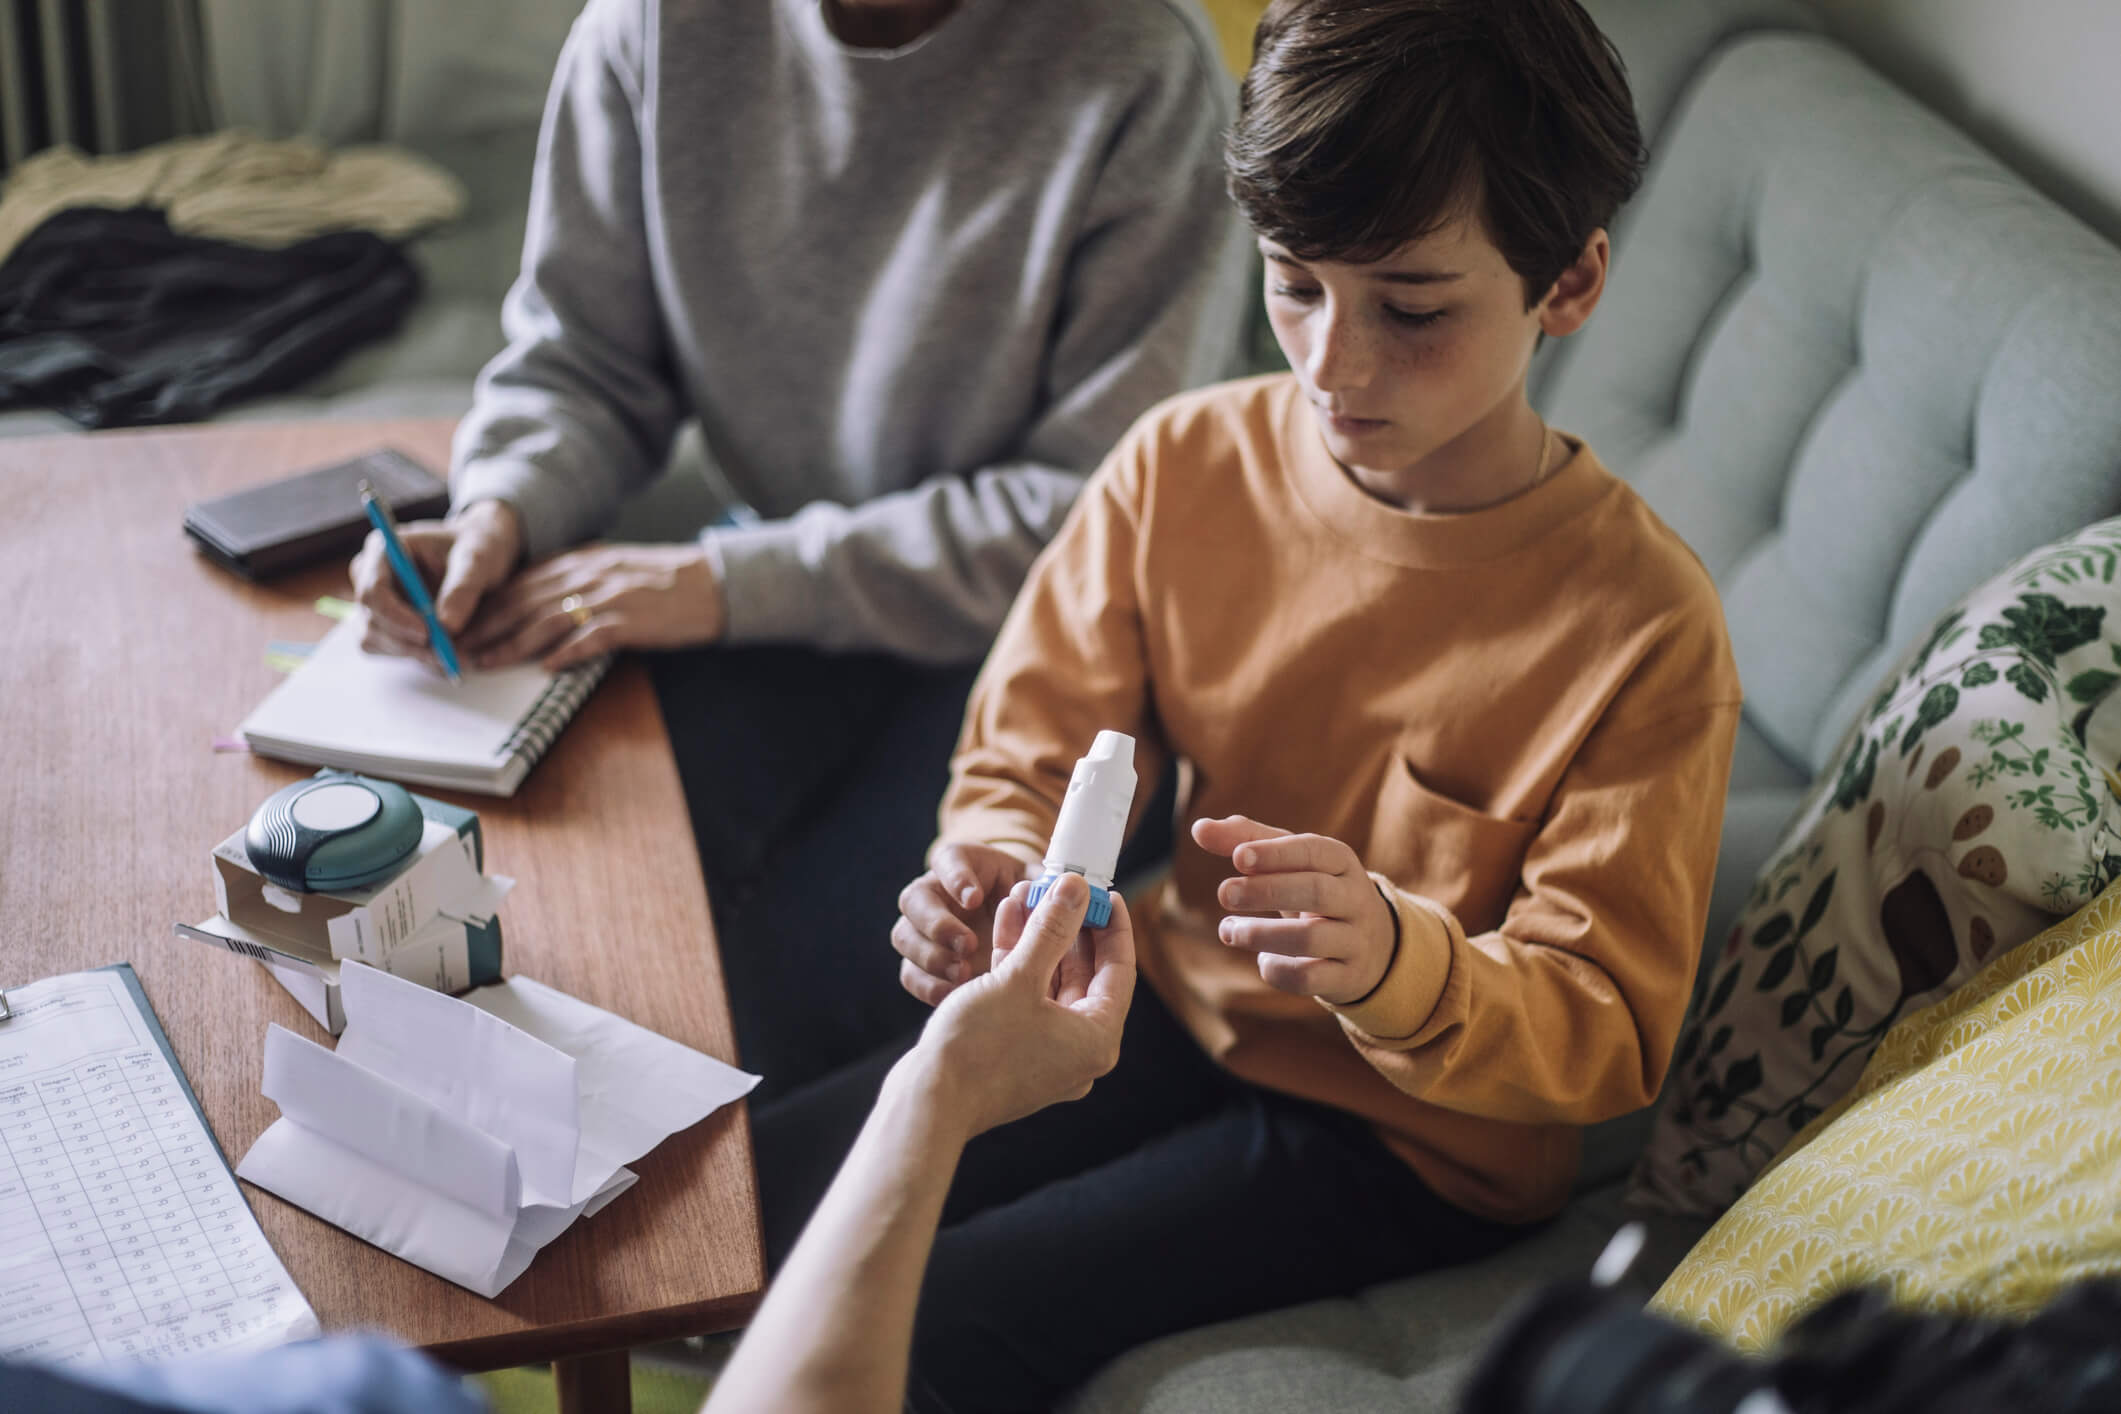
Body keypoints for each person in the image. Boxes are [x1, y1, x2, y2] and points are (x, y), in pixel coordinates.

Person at [757, 0, 1746, 1406]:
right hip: (1164, 990)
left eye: (1411, 308)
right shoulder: (1183, 466)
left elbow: (1603, 1024)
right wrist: (983, 859)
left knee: (942, 1318)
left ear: (1568, 285)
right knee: (763, 1196)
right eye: (1293, 283)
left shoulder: (1645, 629)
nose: (1332, 364)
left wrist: (1392, 958)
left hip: (1413, 1139)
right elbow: (1030, 741)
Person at [349, 0, 1252, 1096]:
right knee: (559, 907)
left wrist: (723, 584)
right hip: (787, 598)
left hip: (1050, 658)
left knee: (768, 1009)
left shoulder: (1140, 62)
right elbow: (584, 360)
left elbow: (1088, 522)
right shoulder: (650, 27)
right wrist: (505, 506)